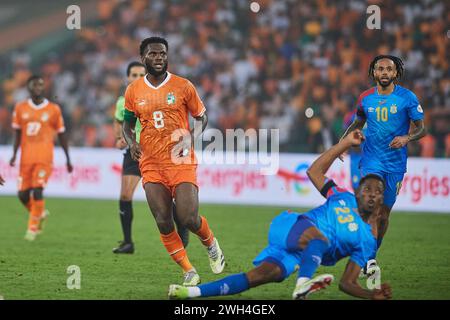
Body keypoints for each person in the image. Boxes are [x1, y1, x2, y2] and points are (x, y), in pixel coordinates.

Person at [168, 130, 392, 300]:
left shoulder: (366, 241)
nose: (372, 195)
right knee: (319, 239)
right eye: (367, 190)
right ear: (357, 192)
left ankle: (189, 294)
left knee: (257, 277)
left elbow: (347, 283)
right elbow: (314, 171)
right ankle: (302, 285)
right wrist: (344, 143)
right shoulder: (341, 196)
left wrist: (371, 295)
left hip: (298, 255)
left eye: (378, 192)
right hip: (290, 226)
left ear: (383, 199)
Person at [122, 37, 225, 285]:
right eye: (153, 54)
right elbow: (126, 124)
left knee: (188, 217)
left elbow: (202, 117)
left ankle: (211, 243)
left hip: (180, 161)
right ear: (143, 57)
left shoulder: (183, 86)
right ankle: (188, 269)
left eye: (162, 54)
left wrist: (192, 138)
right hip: (150, 163)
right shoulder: (133, 90)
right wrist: (132, 143)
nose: (159, 58)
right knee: (163, 220)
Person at [341, 55, 426, 248]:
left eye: (389, 69)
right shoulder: (365, 98)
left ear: (395, 73)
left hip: (395, 163)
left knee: (384, 215)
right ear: (374, 72)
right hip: (371, 159)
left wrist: (407, 138)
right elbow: (357, 123)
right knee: (371, 209)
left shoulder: (407, 97)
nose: (384, 72)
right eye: (380, 69)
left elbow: (422, 129)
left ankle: (372, 252)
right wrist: (343, 144)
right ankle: (366, 257)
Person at [112, 61, 189, 254]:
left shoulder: (155, 97)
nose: (137, 78)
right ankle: (128, 242)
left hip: (155, 152)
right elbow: (119, 121)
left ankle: (182, 225)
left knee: (165, 198)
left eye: (141, 75)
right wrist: (119, 138)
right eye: (134, 75)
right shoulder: (124, 101)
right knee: (125, 195)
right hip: (134, 151)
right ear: (128, 78)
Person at [10, 75, 73, 241]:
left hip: (44, 158)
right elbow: (17, 133)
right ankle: (39, 214)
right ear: (29, 87)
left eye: (41, 84)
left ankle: (32, 228)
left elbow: (62, 134)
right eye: (35, 84)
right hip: (26, 159)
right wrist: (14, 154)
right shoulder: (20, 107)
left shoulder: (53, 109)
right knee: (22, 194)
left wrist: (68, 158)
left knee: (38, 191)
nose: (38, 87)